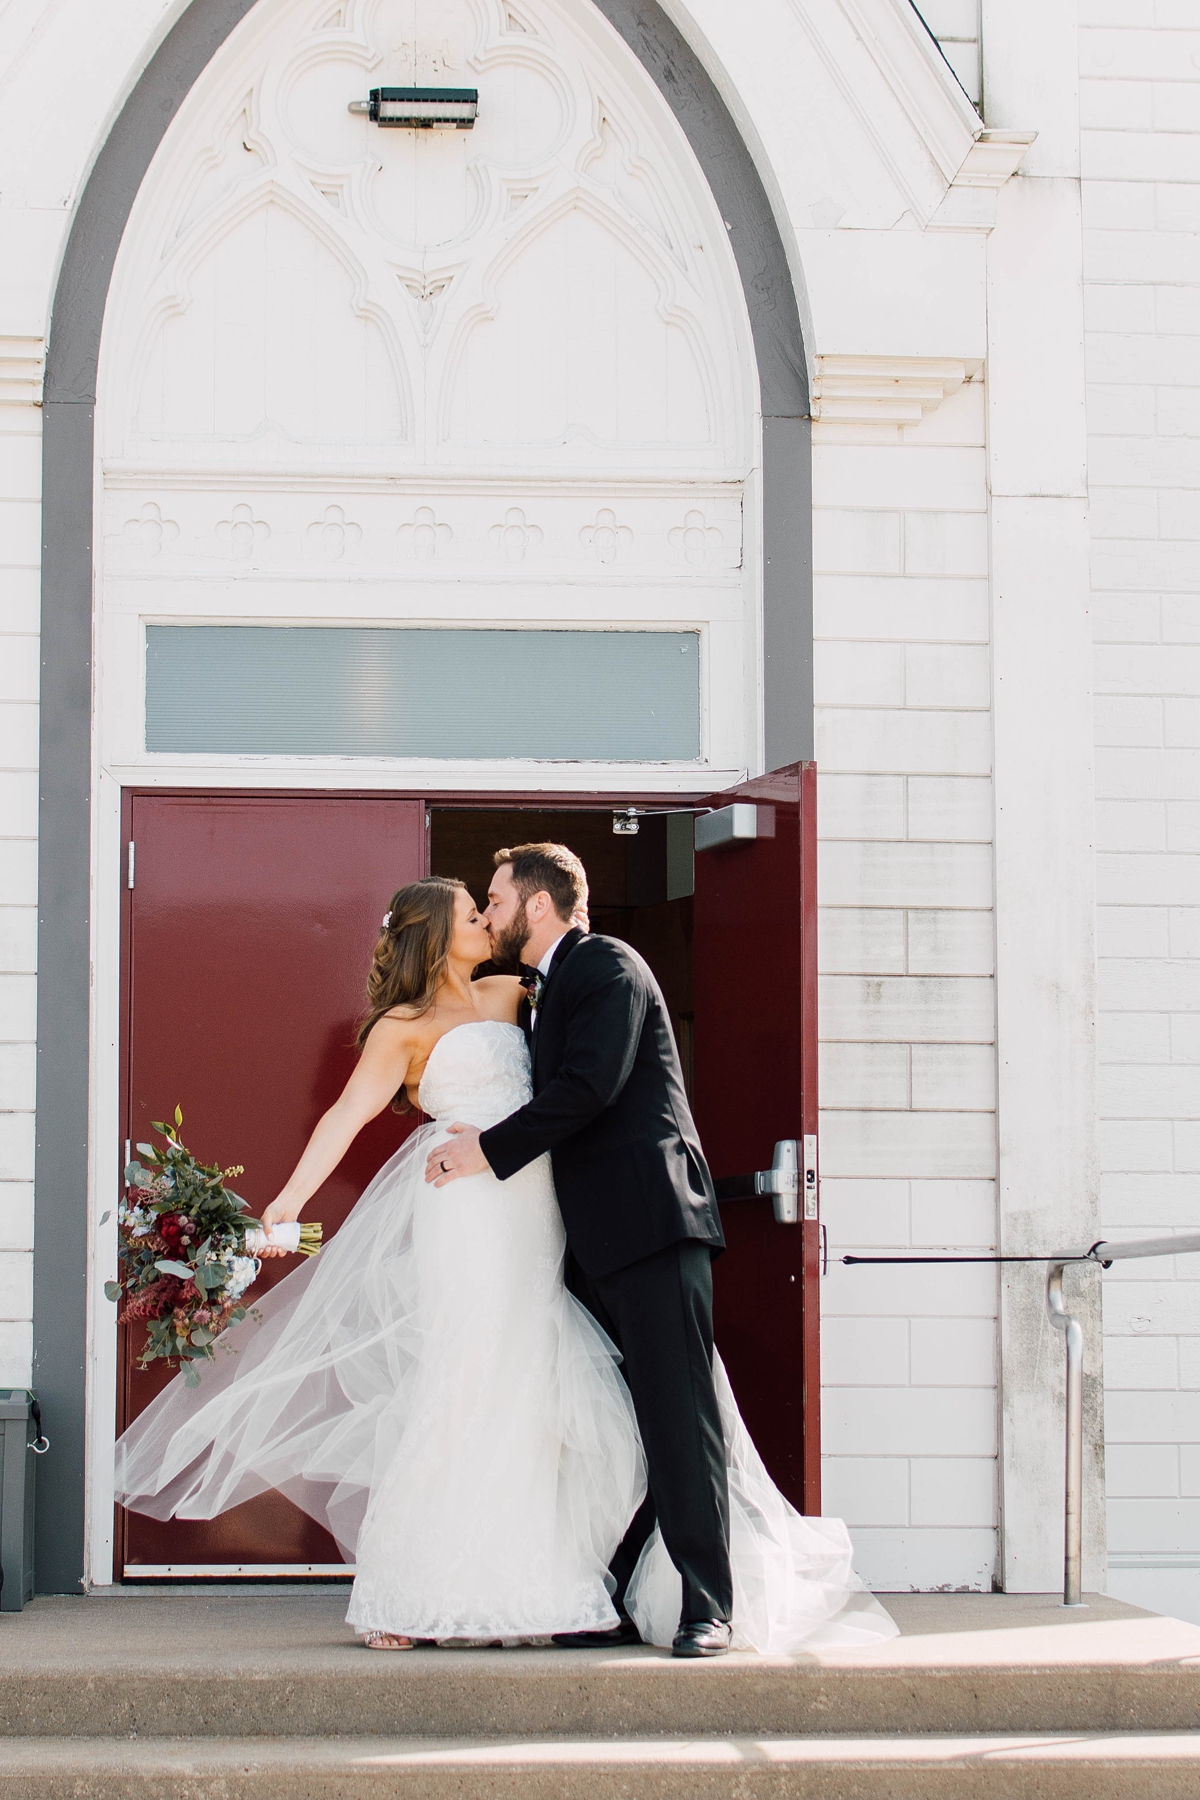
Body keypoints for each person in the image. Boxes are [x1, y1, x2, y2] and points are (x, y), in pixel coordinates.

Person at [115, 862, 896, 1657]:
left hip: (543, 1212)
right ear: (434, 933)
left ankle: (576, 1587)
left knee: (549, 1386)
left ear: (536, 904)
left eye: (490, 904)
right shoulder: (403, 1027)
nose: (486, 921)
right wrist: (284, 1204)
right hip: (468, 1207)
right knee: (468, 1374)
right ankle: (420, 1588)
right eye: (471, 912)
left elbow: (586, 1087)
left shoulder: (527, 992)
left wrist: (492, 1147)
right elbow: (347, 1116)